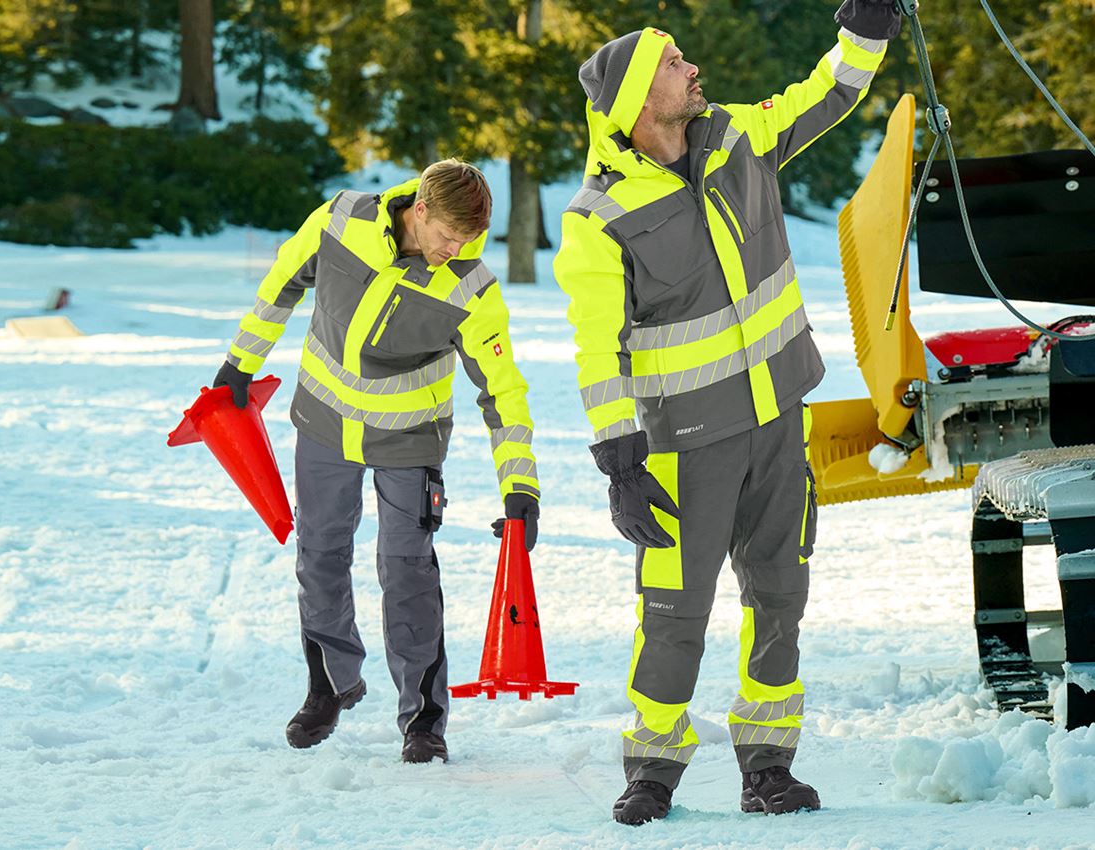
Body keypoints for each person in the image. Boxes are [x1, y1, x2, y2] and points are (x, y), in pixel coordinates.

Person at [553, 0, 902, 825]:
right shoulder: (597, 217)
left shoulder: (739, 136)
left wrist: (866, 32)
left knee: (779, 594)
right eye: (675, 64)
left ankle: (768, 767)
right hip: (685, 446)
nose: (693, 69)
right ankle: (653, 769)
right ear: (640, 98)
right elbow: (597, 347)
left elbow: (827, 93)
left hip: (778, 420)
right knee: (674, 612)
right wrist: (619, 459)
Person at [213, 159, 540, 764]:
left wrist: (520, 484)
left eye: (469, 240)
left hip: (408, 440)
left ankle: (423, 720)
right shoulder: (342, 219)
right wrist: (241, 362)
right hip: (324, 424)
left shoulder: (470, 288)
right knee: (320, 554)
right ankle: (330, 685)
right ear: (420, 209)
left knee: (407, 570)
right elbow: (283, 280)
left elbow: (503, 390)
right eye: (448, 236)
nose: (456, 250)